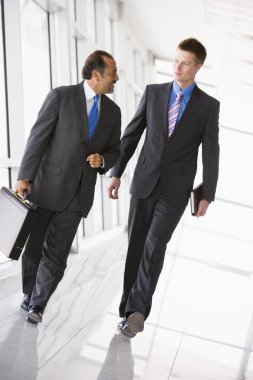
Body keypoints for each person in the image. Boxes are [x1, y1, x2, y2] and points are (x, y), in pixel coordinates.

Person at [108, 38, 220, 338]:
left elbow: (211, 150)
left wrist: (207, 193)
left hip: (175, 191)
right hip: (144, 183)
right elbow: (131, 135)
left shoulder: (208, 107)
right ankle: (128, 310)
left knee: (154, 246)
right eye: (176, 60)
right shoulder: (154, 93)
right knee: (136, 248)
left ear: (197, 67)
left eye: (185, 63)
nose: (178, 67)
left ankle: (137, 313)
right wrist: (117, 172)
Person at [15, 50, 121, 324]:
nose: (116, 78)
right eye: (112, 73)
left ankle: (38, 304)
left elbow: (115, 150)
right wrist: (24, 176)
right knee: (34, 248)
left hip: (79, 193)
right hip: (47, 185)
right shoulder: (61, 97)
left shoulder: (113, 112)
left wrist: (103, 160)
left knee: (58, 253)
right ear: (96, 75)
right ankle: (29, 293)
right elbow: (38, 137)